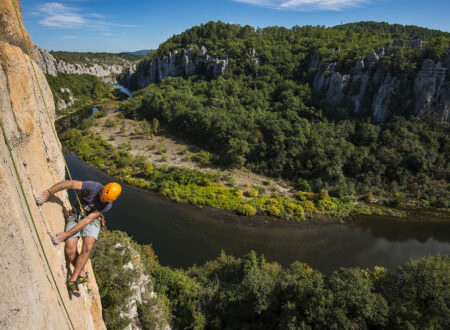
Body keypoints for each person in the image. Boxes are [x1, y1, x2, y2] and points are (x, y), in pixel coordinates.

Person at [35, 180, 121, 297]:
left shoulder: (107, 204)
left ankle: (73, 280)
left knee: (88, 247)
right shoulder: (93, 186)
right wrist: (48, 193)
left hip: (92, 220)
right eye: (102, 197)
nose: (102, 200)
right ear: (102, 190)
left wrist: (66, 234)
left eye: (106, 200)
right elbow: (69, 184)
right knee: (70, 249)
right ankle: (81, 273)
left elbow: (88, 220)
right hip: (76, 214)